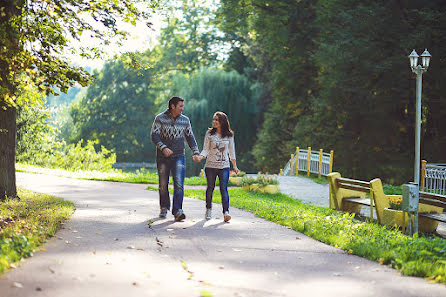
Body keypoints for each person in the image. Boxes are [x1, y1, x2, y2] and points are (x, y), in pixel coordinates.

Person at [151, 96, 201, 221]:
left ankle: (178, 210)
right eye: (180, 106)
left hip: (179, 156)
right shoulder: (160, 118)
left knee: (179, 184)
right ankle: (164, 207)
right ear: (172, 106)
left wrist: (195, 152)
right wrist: (163, 147)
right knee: (163, 184)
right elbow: (154, 136)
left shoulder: (185, 120)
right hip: (163, 157)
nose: (182, 109)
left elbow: (190, 137)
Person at [196, 111, 239, 222]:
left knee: (223, 189)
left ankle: (226, 212)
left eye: (217, 120)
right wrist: (200, 157)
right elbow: (205, 149)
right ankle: (208, 209)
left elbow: (231, 151)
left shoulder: (229, 135)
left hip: (224, 166)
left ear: (222, 122)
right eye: (213, 119)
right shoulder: (209, 134)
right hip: (210, 166)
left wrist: (234, 166)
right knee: (210, 188)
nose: (214, 121)